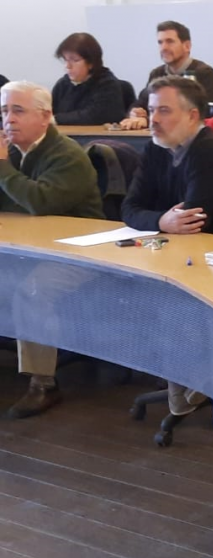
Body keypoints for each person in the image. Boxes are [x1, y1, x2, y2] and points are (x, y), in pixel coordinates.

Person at [120, 76, 213, 421]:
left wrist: (159, 221)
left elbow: (195, 221)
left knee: (168, 294)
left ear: (193, 116)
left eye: (164, 111)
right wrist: (161, 222)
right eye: (151, 110)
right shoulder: (155, 147)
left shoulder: (209, 150)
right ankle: (188, 380)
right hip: (176, 250)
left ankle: (196, 380)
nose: (154, 120)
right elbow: (129, 209)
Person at [0, 80, 104, 418]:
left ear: (45, 117)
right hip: (31, 247)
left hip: (80, 252)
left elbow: (39, 202)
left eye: (17, 110)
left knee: (33, 290)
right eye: (3, 111)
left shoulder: (67, 155)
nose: (8, 120)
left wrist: (1, 167)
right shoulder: (15, 152)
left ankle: (43, 384)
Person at [119, 21, 213, 130]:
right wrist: (135, 113)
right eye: (160, 42)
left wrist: (147, 119)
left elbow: (205, 113)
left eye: (170, 42)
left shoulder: (204, 73)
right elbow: (141, 102)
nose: (163, 48)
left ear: (187, 46)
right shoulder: (157, 73)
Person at [50, 32, 126, 125]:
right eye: (65, 60)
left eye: (74, 60)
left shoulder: (107, 84)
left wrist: (56, 119)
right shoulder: (63, 84)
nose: (68, 66)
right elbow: (49, 111)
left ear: (91, 62)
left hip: (99, 138)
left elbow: (93, 116)